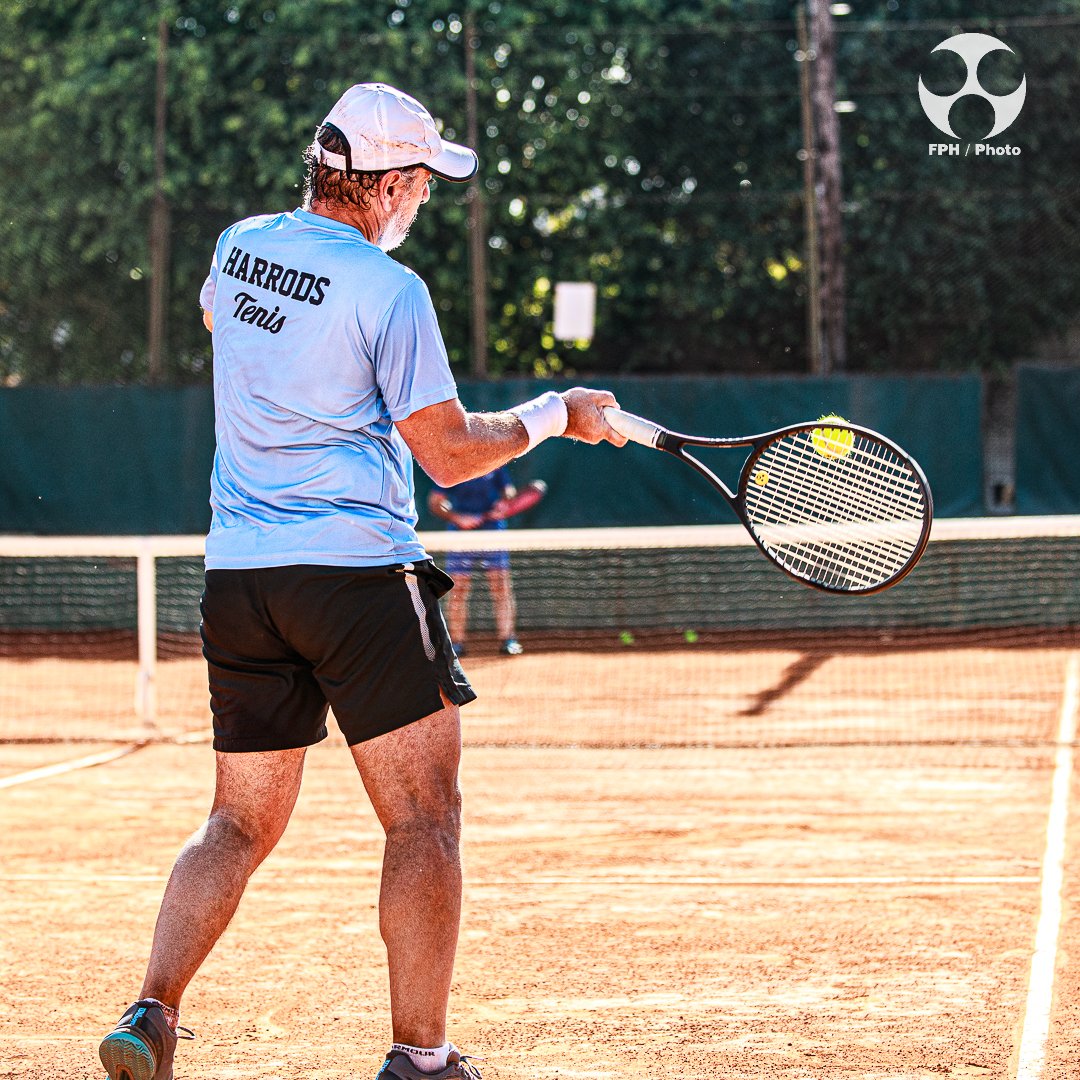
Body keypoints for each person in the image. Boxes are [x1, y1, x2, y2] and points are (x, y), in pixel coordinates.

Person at [96, 82, 626, 1080]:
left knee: (236, 822)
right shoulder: (393, 293)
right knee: (424, 820)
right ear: (381, 185)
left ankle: (151, 1013)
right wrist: (558, 412)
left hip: (241, 582)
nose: (423, 196)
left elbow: (237, 328)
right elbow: (449, 455)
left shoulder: (237, 243)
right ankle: (421, 1059)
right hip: (355, 580)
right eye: (420, 180)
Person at [427, 466, 525, 657]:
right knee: (458, 588)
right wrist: (458, 518)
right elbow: (435, 502)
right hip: (460, 533)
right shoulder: (452, 465)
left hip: (492, 530)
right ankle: (456, 643)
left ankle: (509, 639)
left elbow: (508, 491)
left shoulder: (496, 462)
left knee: (501, 585)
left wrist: (505, 502)